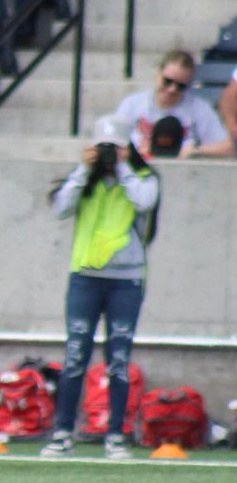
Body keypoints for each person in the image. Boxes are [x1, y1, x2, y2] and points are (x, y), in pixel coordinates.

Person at [42, 114, 160, 461]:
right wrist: (83, 170)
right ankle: (63, 432)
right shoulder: (85, 182)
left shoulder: (142, 178)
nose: (109, 153)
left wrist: (122, 167)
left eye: (116, 146)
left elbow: (144, 202)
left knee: (119, 360)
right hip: (86, 277)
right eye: (104, 147)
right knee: (75, 355)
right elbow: (60, 208)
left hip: (126, 280)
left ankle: (115, 437)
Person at [113, 51, 231, 160]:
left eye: (181, 86)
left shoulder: (200, 109)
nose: (172, 89)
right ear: (158, 73)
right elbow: (113, 141)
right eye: (167, 81)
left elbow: (228, 148)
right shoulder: (132, 104)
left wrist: (195, 151)